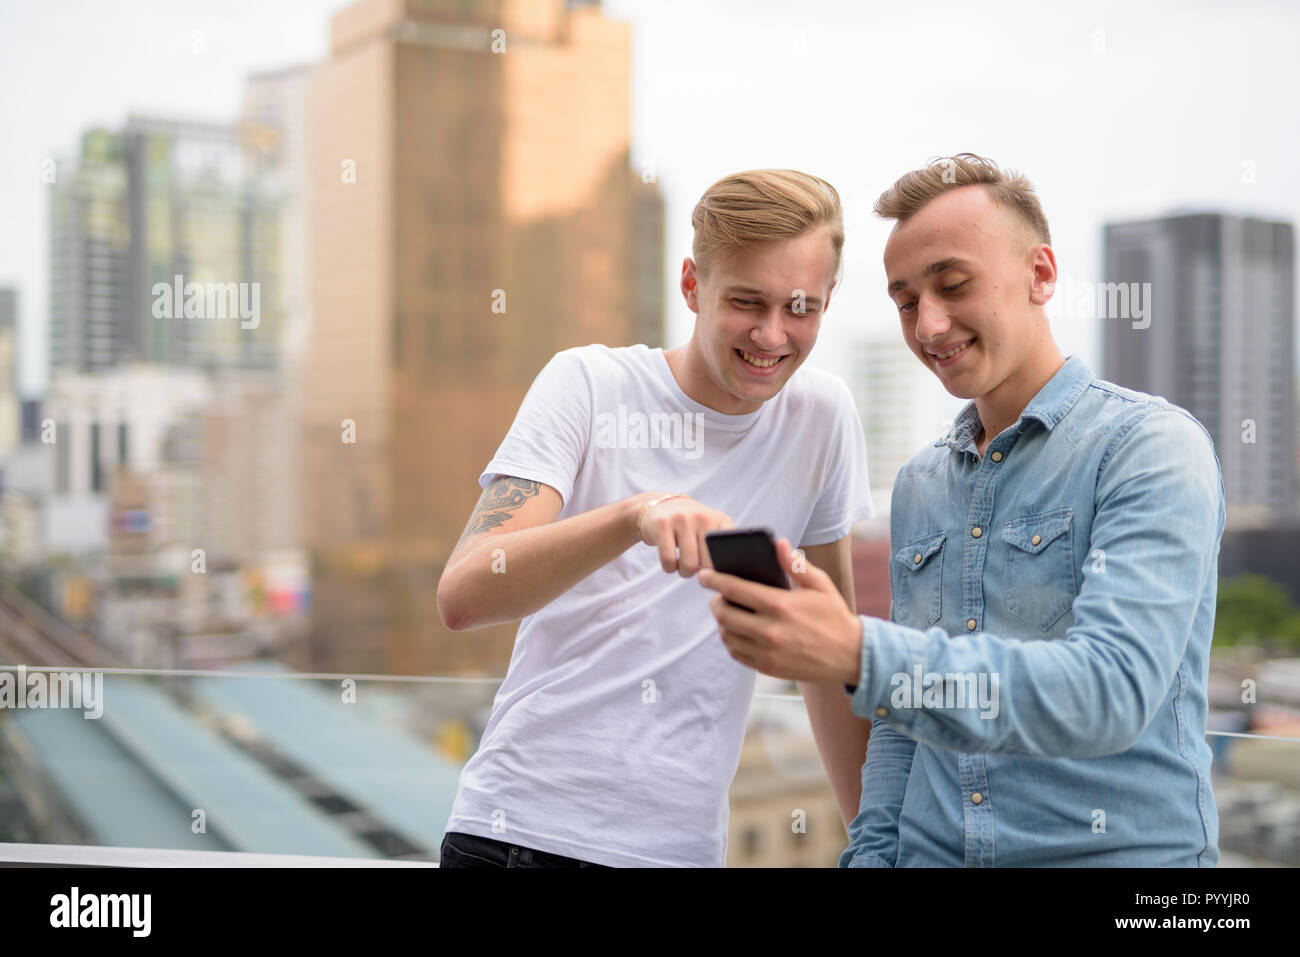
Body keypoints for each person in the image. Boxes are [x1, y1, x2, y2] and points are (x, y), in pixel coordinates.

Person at [698, 153, 1225, 867]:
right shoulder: (920, 484)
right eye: (906, 300)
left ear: (1041, 274)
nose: (929, 324)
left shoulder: (1149, 448)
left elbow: (1111, 690)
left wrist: (857, 651)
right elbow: (901, 730)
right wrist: (871, 853)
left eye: (953, 285)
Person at [436, 169, 874, 867]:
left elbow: (825, 654)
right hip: (518, 835)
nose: (772, 333)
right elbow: (464, 593)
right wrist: (635, 515)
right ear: (692, 286)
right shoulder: (588, 383)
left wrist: (877, 845)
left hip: (681, 853)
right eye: (746, 301)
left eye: (801, 307)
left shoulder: (823, 418)